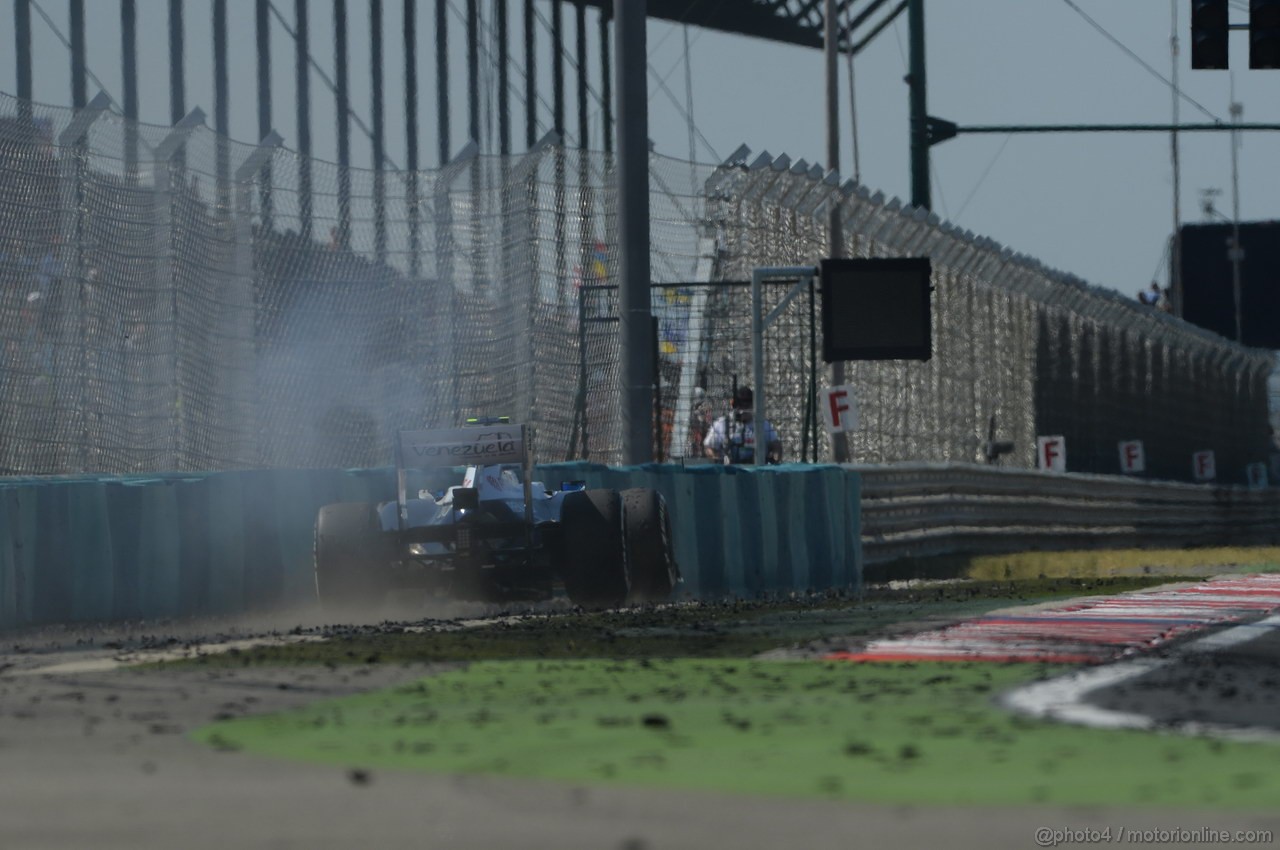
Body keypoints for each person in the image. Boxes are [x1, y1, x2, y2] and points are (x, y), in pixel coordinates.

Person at [703, 385, 782, 465]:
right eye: (740, 405)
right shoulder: (722, 424)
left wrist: (774, 459)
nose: (743, 409)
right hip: (730, 471)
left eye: (747, 406)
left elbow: (776, 445)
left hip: (756, 471)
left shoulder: (763, 425)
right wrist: (718, 459)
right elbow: (708, 447)